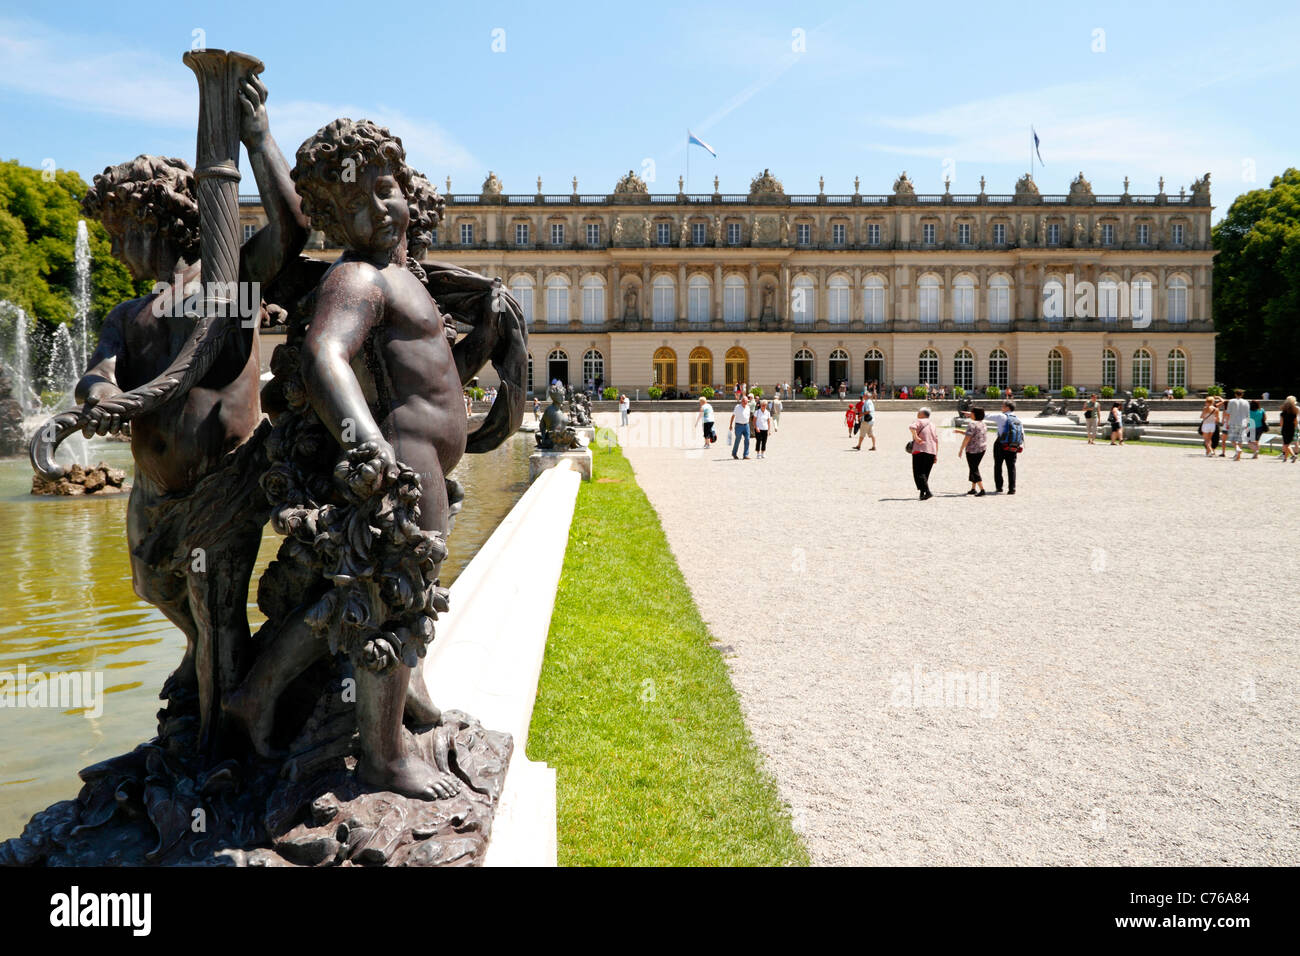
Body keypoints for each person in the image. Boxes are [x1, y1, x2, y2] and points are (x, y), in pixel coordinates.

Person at [908, 407, 938, 500]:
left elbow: (912, 427)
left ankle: (928, 492)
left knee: (918, 473)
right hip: (932, 450)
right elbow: (936, 440)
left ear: (923, 414)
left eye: (918, 412)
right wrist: (936, 454)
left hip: (920, 449)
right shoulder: (933, 424)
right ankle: (922, 493)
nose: (917, 414)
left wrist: (916, 437)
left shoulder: (919, 420)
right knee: (925, 473)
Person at [991, 400, 1021, 494]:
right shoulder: (1017, 419)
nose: (1001, 407)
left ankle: (999, 487)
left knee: (998, 466)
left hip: (1001, 443)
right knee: (1011, 467)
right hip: (1013, 444)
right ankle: (1012, 488)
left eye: (1003, 406)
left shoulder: (1001, 416)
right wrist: (1020, 445)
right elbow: (1022, 433)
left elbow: (986, 416)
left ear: (1007, 408)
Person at [957, 406, 987, 495]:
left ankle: (982, 489)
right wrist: (960, 431)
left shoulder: (972, 424)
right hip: (982, 448)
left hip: (972, 450)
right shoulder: (982, 423)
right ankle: (973, 488)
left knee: (974, 468)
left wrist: (961, 449)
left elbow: (967, 438)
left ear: (974, 414)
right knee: (974, 467)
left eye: (972, 413)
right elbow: (973, 434)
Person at [1224, 388, 1251, 460]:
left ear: (1235, 394)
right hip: (1243, 422)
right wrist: (1248, 423)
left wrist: (1226, 422)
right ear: (1242, 394)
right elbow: (1248, 414)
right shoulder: (1246, 402)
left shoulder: (1231, 401)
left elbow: (1228, 413)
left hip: (1233, 422)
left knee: (1232, 439)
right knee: (1240, 439)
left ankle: (1237, 449)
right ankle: (1238, 456)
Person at [729, 393, 751, 459]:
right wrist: (730, 425)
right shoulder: (737, 407)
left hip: (746, 425)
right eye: (744, 401)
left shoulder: (748, 407)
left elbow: (748, 416)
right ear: (741, 401)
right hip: (738, 426)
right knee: (738, 440)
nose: (745, 402)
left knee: (747, 439)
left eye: (746, 401)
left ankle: (745, 455)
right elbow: (733, 416)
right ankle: (734, 453)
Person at [1279, 395, 1299, 462]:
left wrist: (1282, 428)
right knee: (1287, 444)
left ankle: (1293, 455)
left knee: (1286, 444)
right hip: (1292, 429)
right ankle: (1285, 458)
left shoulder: (1282, 414)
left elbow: (1281, 423)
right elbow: (1296, 422)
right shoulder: (1294, 413)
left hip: (1285, 429)